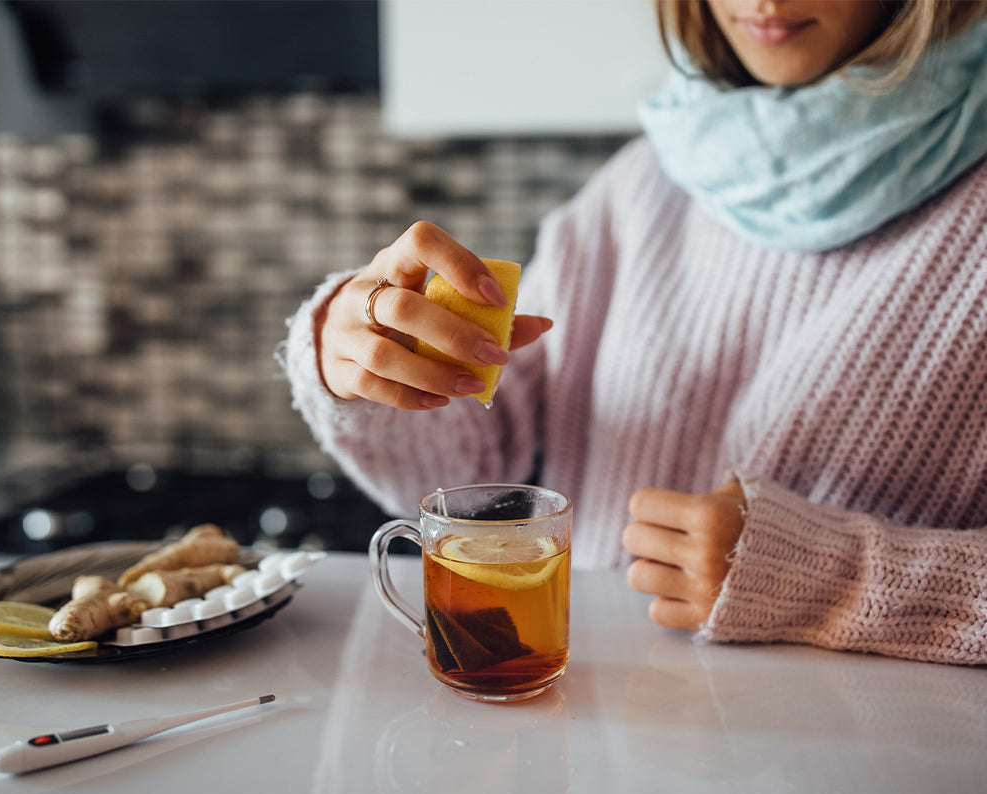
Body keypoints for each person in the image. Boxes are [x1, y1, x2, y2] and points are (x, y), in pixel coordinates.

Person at [280, 0, 987, 665]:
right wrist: (364, 362)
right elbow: (462, 475)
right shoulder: (640, 187)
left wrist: (829, 580)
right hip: (591, 752)